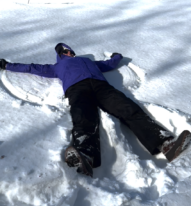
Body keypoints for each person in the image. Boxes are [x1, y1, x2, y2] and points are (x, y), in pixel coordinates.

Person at [0, 43, 190, 177]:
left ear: (71, 51)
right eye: (62, 52)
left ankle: (166, 144)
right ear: (60, 55)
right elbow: (33, 68)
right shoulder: (57, 67)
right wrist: (8, 65)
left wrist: (116, 57)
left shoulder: (88, 61)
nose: (66, 52)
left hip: (102, 87)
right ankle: (86, 155)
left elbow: (108, 64)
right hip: (77, 89)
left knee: (128, 109)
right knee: (83, 118)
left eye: (66, 50)